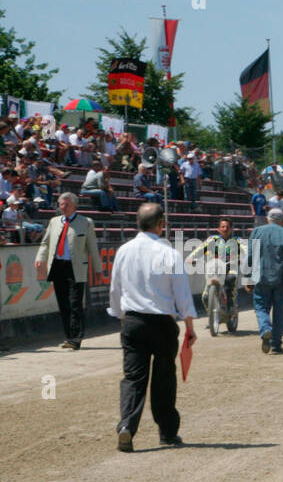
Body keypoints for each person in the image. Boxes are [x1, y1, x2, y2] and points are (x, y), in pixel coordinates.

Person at [107, 203, 197, 451]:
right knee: (164, 378)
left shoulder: (124, 250)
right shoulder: (169, 253)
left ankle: (126, 426)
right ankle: (167, 432)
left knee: (133, 378)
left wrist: (119, 314)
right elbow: (182, 295)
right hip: (163, 324)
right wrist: (190, 327)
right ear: (161, 224)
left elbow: (115, 288)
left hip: (133, 321)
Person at [34, 192, 99, 349]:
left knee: (75, 303)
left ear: (74, 206)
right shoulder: (54, 222)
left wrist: (98, 268)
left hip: (75, 266)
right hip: (57, 266)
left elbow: (92, 246)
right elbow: (46, 242)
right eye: (61, 204)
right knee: (63, 303)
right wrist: (40, 257)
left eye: (66, 204)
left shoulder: (86, 222)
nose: (63, 207)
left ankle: (76, 338)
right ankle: (69, 336)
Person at [248, 207, 283, 354]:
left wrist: (248, 278)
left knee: (261, 307)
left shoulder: (256, 232)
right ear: (282, 220)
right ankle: (276, 344)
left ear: (268, 218)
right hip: (280, 278)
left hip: (261, 277)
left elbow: (250, 256)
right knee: (279, 311)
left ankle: (265, 328)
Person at [186, 217, 246, 311]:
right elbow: (200, 249)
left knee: (231, 278)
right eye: (223, 227)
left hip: (231, 268)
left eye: (227, 227)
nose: (225, 229)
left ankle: (231, 307)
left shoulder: (238, 240)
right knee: (205, 297)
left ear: (231, 229)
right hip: (214, 269)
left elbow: (246, 251)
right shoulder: (212, 240)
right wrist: (191, 257)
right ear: (218, 229)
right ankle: (212, 317)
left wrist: (244, 259)